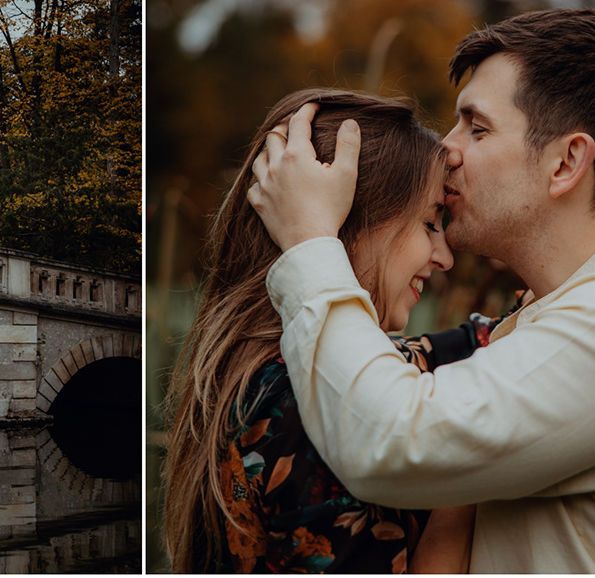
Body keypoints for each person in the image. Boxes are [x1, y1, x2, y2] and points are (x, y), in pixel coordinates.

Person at [249, 8, 595, 572]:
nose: (448, 149)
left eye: (477, 126)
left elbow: (394, 440)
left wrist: (310, 241)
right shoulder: (583, 310)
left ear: (566, 162)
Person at [163, 89, 467, 572]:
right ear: (347, 224)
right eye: (430, 222)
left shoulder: (271, 373)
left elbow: (465, 345)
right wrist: (469, 482)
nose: (444, 256)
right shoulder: (310, 402)